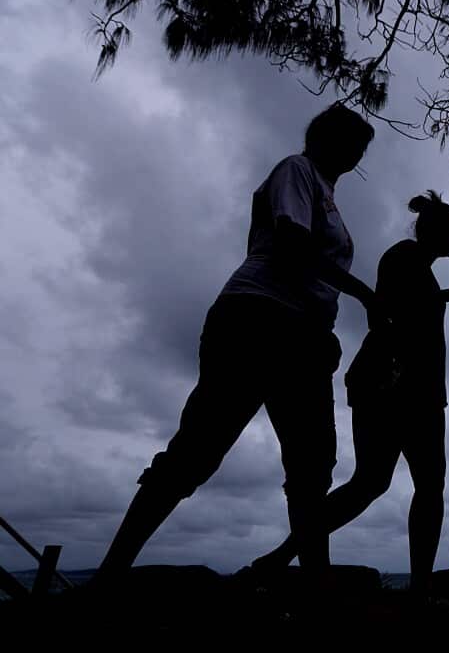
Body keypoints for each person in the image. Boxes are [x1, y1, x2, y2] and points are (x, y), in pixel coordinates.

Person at [95, 104, 381, 582]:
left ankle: (317, 592)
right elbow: (291, 242)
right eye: (353, 143)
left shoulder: (328, 197)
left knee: (312, 468)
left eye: (362, 148)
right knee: (197, 452)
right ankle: (107, 578)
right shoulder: (297, 170)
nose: (357, 154)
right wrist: (363, 295)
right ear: (327, 140)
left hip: (304, 336)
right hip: (258, 319)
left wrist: (325, 327)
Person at [251, 192, 449, 595]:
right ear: (436, 232)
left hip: (402, 385)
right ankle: (418, 587)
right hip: (395, 384)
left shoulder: (417, 265)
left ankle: (283, 556)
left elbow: (407, 306)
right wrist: (443, 298)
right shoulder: (403, 257)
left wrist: (445, 295)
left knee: (381, 483)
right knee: (401, 484)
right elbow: (394, 308)